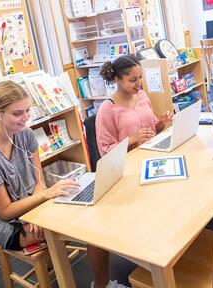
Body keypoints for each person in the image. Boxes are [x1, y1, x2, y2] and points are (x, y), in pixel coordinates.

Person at [0, 81, 79, 252]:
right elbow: (6, 212)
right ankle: (83, 277)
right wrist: (45, 198)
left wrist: (36, 213)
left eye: (27, 110)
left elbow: (38, 182)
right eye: (17, 113)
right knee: (72, 228)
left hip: (30, 207)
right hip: (7, 226)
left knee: (82, 217)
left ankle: (96, 278)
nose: (25, 118)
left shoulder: (25, 134)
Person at [89, 54, 173, 288]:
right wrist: (131, 140)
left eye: (141, 78)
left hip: (151, 160)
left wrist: (160, 124)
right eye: (133, 80)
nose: (139, 84)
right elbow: (106, 153)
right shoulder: (108, 110)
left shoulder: (142, 96)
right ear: (117, 79)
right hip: (127, 170)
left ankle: (167, 247)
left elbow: (150, 128)